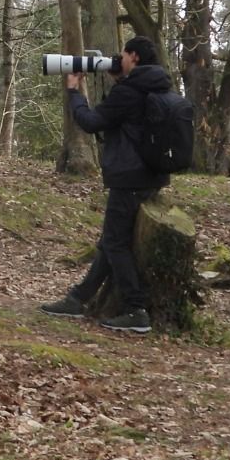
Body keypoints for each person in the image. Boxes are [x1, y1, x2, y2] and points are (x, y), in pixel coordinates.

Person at [39, 36, 175, 334]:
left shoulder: (130, 92)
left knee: (114, 243)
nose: (120, 58)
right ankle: (78, 299)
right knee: (109, 242)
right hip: (149, 176)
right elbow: (128, 118)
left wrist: (74, 92)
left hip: (129, 177)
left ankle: (136, 309)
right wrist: (120, 82)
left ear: (134, 57)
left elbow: (91, 122)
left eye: (124, 54)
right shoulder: (155, 85)